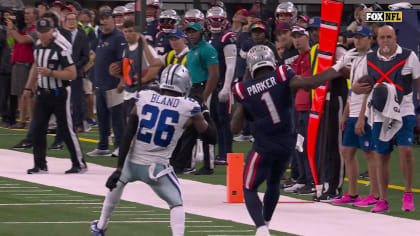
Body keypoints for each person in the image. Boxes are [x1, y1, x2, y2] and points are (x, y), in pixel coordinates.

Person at [231, 45, 350, 235]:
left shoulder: (243, 89)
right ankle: (267, 223)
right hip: (286, 144)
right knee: (273, 183)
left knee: (249, 187)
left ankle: (261, 229)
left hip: (263, 146)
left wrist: (244, 102)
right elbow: (311, 83)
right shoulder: (282, 74)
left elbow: (235, 127)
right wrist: (336, 68)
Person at [90, 64, 217, 236]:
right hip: (157, 169)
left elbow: (128, 133)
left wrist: (119, 168)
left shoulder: (144, 96)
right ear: (185, 85)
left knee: (116, 185)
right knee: (176, 204)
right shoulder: (189, 106)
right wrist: (205, 110)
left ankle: (101, 226)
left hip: (132, 162)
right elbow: (212, 137)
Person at [352, 25, 420, 213]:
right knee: (382, 155)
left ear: (395, 38)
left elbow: (418, 80)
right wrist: (360, 91)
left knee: (406, 150)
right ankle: (383, 200)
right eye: (382, 37)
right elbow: (357, 88)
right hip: (379, 112)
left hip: (404, 109)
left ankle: (408, 193)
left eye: (389, 37)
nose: (386, 40)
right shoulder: (369, 59)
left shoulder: (409, 56)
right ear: (377, 39)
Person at [23, 18, 86, 174]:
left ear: (52, 31)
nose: (43, 35)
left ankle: (79, 163)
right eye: (41, 32)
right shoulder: (37, 46)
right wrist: (28, 87)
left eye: (46, 32)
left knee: (65, 130)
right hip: (43, 93)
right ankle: (40, 164)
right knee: (37, 128)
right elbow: (35, 67)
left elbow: (72, 74)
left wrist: (51, 73)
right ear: (36, 32)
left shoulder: (60, 47)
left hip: (60, 93)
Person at [332, 25, 379, 207]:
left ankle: (374, 194)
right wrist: (346, 113)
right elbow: (352, 90)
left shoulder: (371, 59)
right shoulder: (355, 58)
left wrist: (361, 117)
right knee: (347, 151)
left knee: (369, 152)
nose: (358, 40)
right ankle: (352, 194)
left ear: (369, 39)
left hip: (365, 112)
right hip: (353, 111)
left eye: (362, 37)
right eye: (356, 37)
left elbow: (369, 90)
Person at [171, 22, 219, 175]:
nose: (191, 34)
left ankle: (208, 165)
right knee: (190, 128)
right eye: (189, 32)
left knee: (205, 128)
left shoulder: (207, 49)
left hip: (203, 89)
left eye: (194, 32)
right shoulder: (192, 51)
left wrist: (205, 96)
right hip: (193, 90)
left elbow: (214, 75)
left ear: (201, 32)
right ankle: (185, 164)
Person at [86, 10, 126, 157]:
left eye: (107, 18)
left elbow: (123, 61)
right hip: (100, 84)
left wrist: (122, 80)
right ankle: (103, 146)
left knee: (117, 118)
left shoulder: (118, 38)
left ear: (113, 20)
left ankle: (120, 146)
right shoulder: (100, 37)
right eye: (102, 19)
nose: (104, 22)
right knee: (102, 118)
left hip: (113, 84)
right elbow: (94, 58)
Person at [109, 20, 162, 124]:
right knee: (128, 125)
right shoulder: (126, 50)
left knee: (135, 125)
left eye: (131, 31)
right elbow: (128, 73)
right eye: (126, 31)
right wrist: (118, 77)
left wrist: (143, 79)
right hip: (128, 94)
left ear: (137, 32)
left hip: (141, 92)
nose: (128, 34)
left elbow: (156, 67)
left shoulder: (145, 48)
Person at [284, 26, 314, 195]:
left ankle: (310, 180)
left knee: (308, 145)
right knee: (300, 145)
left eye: (299, 36)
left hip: (308, 107)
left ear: (307, 37)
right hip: (298, 106)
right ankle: (302, 178)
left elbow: (302, 80)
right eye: (294, 37)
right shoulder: (298, 59)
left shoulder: (311, 57)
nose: (297, 40)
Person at [206, 6, 236, 165]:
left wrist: (226, 87)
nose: (216, 23)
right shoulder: (209, 39)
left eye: (219, 20)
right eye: (213, 20)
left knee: (225, 120)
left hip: (223, 84)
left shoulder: (227, 38)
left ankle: (227, 153)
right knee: (216, 120)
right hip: (213, 85)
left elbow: (231, 65)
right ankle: (221, 152)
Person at [6, 6, 38, 129]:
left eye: (28, 13)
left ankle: (32, 121)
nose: (25, 15)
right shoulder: (22, 29)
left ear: (35, 15)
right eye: (24, 13)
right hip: (18, 63)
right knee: (20, 94)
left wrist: (12, 29)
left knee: (29, 94)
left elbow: (22, 40)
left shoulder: (35, 29)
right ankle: (22, 120)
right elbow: (12, 45)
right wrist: (10, 30)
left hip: (28, 64)